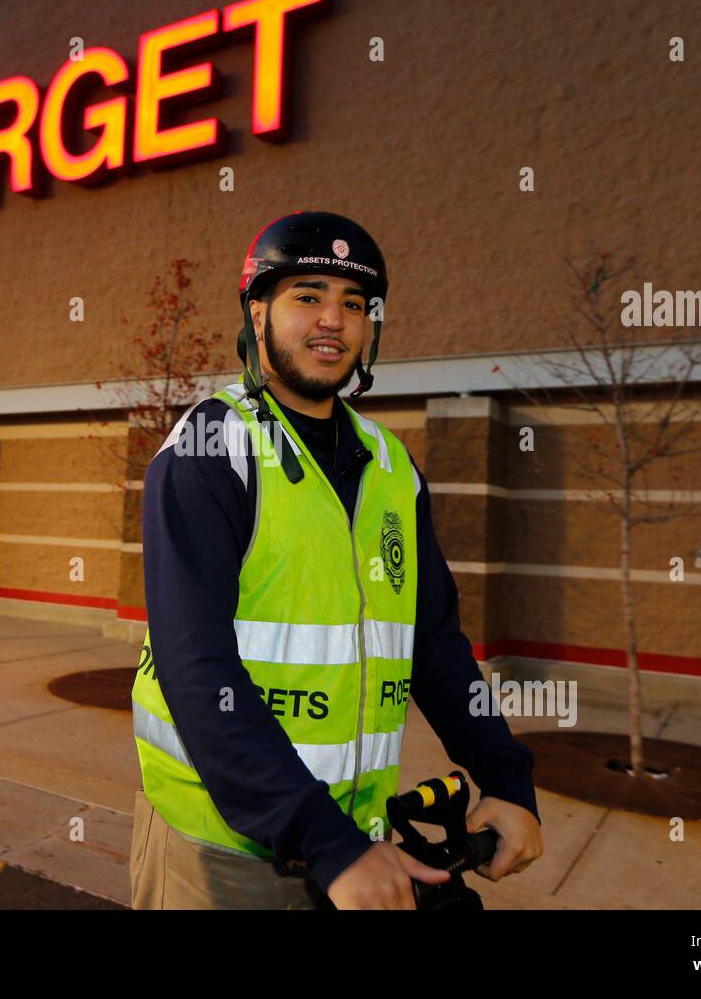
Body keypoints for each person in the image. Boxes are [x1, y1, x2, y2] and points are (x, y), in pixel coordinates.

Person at [130, 212, 544, 910]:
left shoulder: (392, 469)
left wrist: (505, 775)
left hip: (359, 842)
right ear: (257, 313)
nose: (333, 319)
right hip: (224, 852)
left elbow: (435, 647)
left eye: (354, 304)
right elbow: (195, 667)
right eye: (307, 295)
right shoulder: (212, 446)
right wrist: (322, 836)